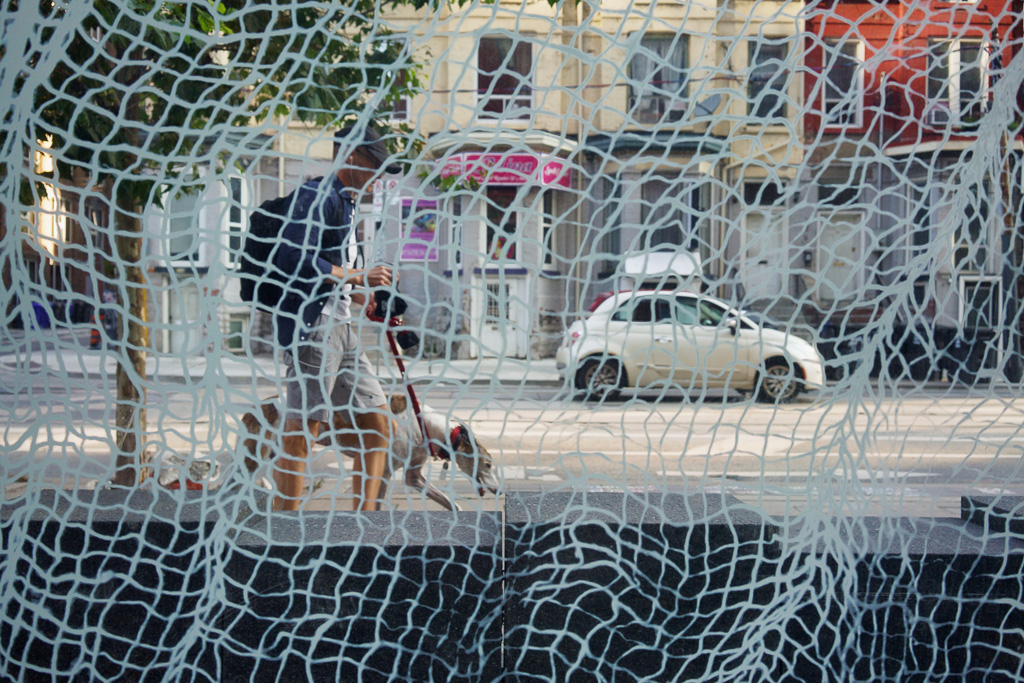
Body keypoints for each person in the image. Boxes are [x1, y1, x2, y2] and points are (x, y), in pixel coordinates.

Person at [273, 125, 400, 512]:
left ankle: (364, 526)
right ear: (350, 158)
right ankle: (281, 528)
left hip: (343, 331)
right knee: (303, 429)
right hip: (312, 331)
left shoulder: (346, 206)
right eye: (375, 167)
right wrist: (359, 277)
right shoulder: (316, 197)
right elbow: (293, 259)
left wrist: (364, 299)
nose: (379, 179)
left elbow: (337, 271)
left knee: (378, 426)